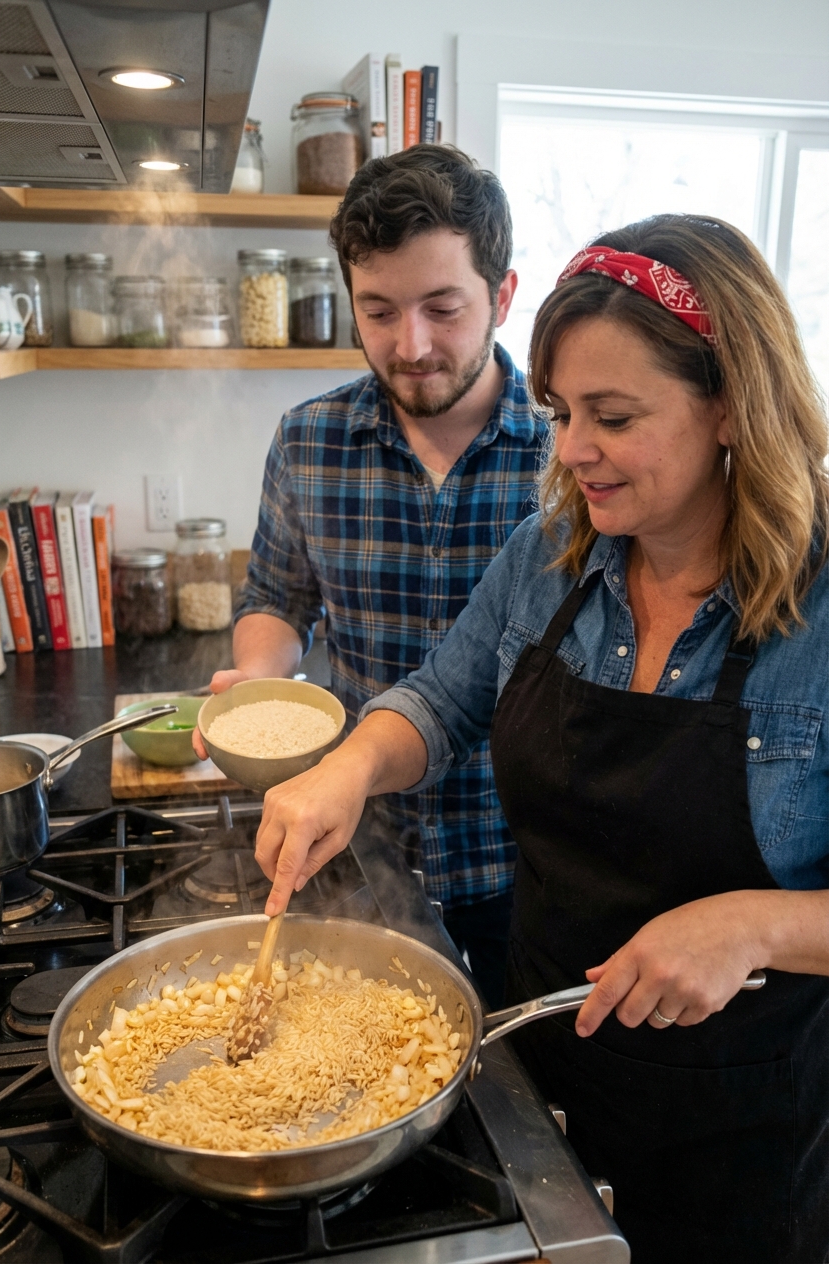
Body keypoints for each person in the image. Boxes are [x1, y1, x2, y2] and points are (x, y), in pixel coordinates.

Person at [253, 213, 829, 1264]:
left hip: (742, 1127)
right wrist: (347, 767)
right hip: (536, 1074)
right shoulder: (551, 553)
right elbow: (438, 699)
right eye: (559, 411)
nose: (569, 452)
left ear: (732, 408)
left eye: (610, 415)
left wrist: (751, 925)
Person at [194, 144, 547, 1007]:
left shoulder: (570, 457)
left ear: (502, 295)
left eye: (442, 307)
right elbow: (277, 596)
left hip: (524, 860)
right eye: (379, 310)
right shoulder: (310, 439)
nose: (411, 344)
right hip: (356, 846)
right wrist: (260, 682)